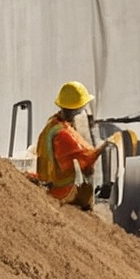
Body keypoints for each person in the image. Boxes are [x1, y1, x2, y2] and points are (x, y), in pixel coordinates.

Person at [34, 81, 102, 210]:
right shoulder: (63, 134)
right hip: (60, 191)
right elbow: (87, 157)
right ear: (77, 109)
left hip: (48, 182)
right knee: (86, 196)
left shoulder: (53, 123)